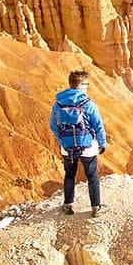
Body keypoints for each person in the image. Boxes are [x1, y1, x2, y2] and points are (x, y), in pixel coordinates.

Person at [49, 69, 107, 215]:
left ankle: (68, 205)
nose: (87, 87)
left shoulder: (58, 104)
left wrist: (61, 140)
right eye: (86, 84)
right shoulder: (88, 104)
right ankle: (96, 207)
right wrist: (102, 143)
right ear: (81, 86)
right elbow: (98, 125)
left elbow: (53, 126)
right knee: (92, 176)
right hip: (87, 146)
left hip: (67, 147)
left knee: (69, 175)